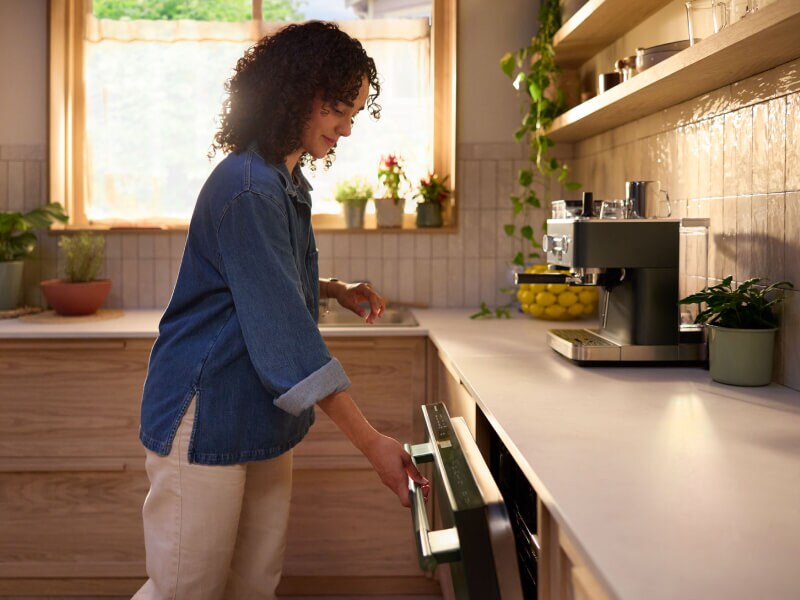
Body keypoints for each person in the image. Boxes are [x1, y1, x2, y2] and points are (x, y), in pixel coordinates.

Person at [133, 21, 429, 600]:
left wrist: (332, 287)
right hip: (207, 413)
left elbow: (267, 279)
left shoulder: (282, 180)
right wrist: (373, 443)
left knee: (254, 586)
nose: (347, 128)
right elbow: (285, 337)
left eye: (354, 113)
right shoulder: (248, 188)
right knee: (185, 591)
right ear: (299, 96)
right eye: (340, 110)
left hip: (259, 417)